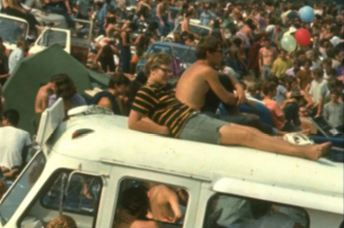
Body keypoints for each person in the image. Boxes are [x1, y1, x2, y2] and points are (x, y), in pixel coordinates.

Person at [129, 53, 330, 161]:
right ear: (152, 71)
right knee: (247, 137)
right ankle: (306, 153)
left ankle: (303, 147)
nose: (168, 74)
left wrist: (234, 82)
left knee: (250, 129)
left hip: (193, 118)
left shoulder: (161, 89)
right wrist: (163, 129)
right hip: (186, 125)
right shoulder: (146, 91)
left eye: (169, 71)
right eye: (164, 71)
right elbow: (134, 122)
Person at [0, 110, 32, 179]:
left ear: (7, 120)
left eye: (2, 119)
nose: (1, 122)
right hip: (15, 171)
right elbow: (28, 157)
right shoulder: (25, 134)